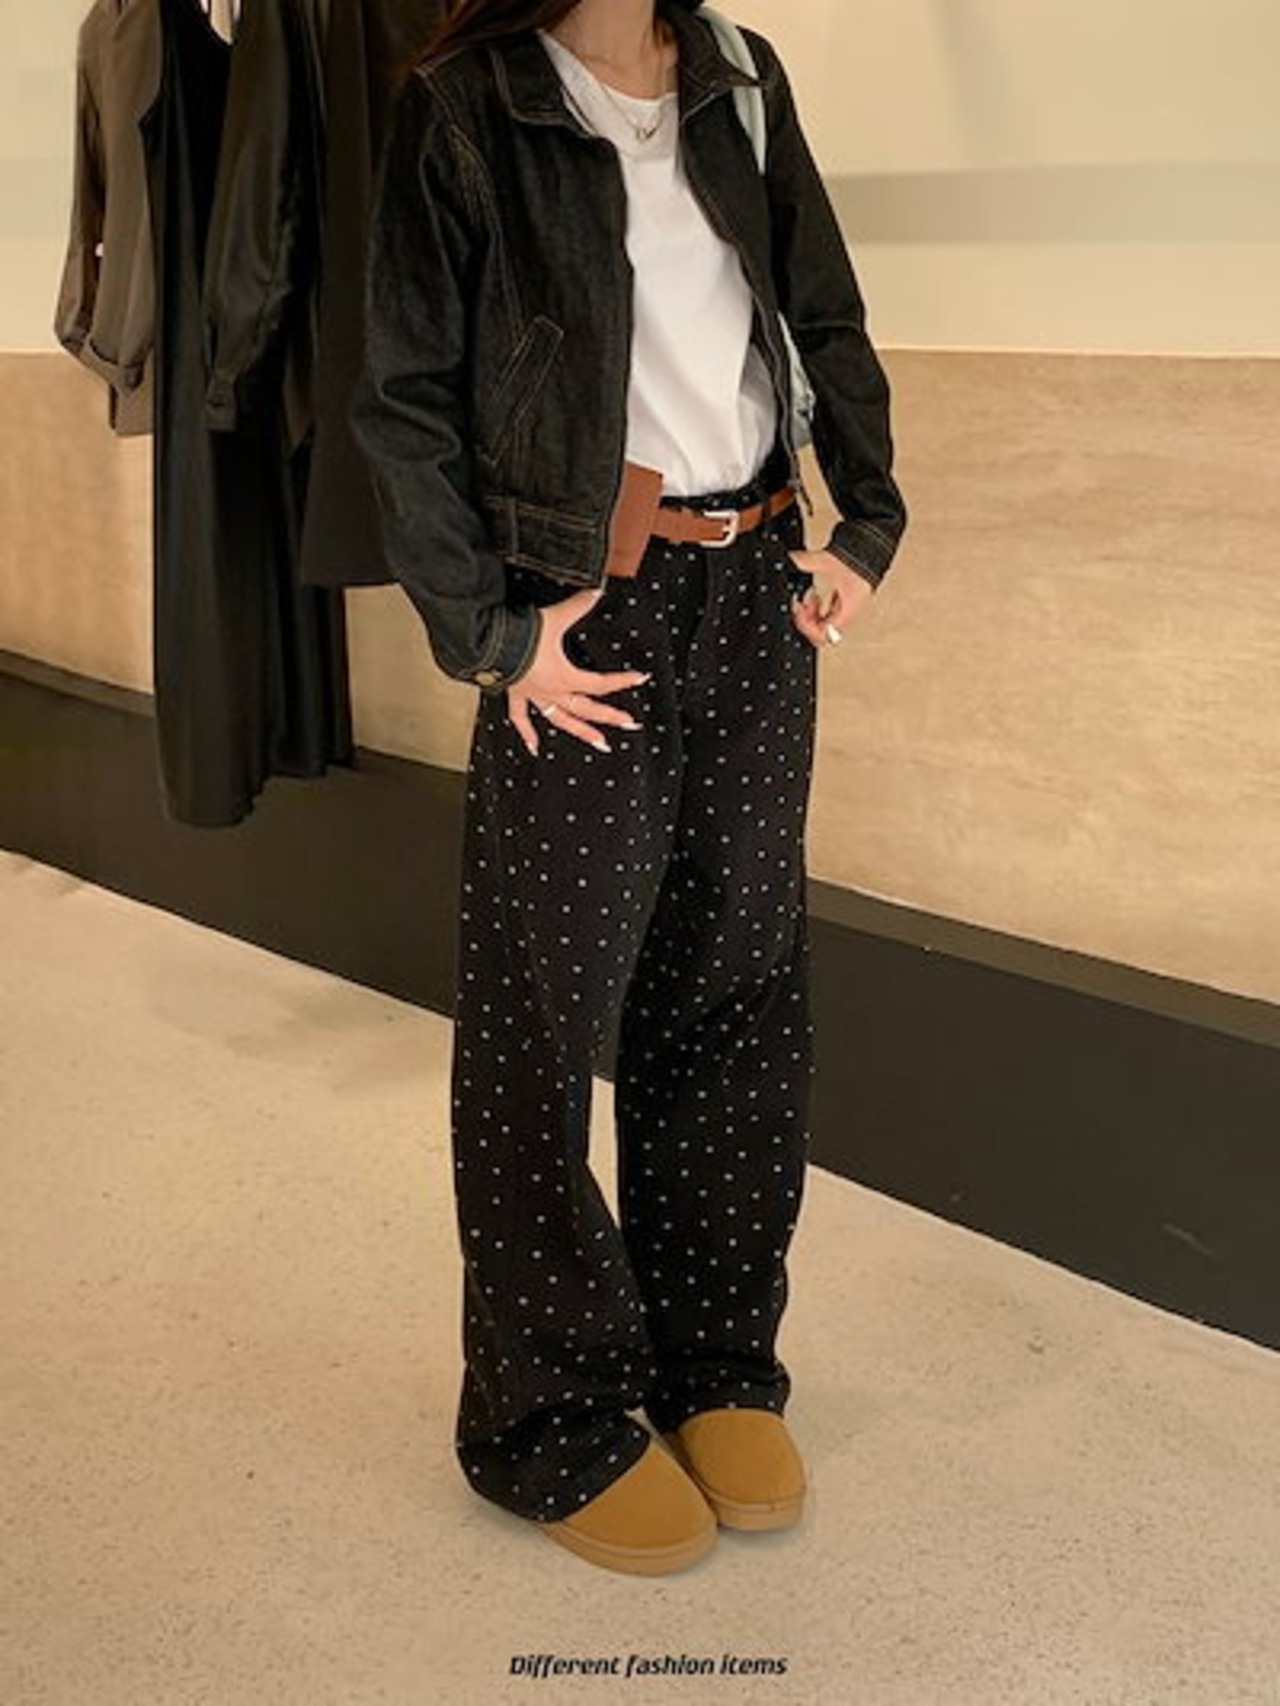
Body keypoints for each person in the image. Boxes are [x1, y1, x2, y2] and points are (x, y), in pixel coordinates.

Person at [351, 0, 907, 1576]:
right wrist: (493, 636)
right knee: (544, 1017)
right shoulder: (468, 103)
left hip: (758, 584)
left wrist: (864, 525)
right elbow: (402, 397)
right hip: (582, 609)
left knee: (736, 987)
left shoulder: (739, 74)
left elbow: (823, 308)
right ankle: (545, 1416)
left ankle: (715, 1359)